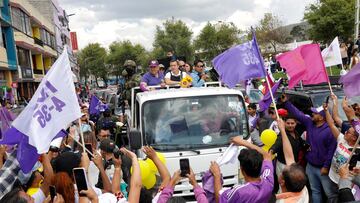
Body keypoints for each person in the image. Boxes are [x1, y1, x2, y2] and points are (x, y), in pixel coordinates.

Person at [281, 94, 338, 203]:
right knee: (315, 191)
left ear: (321, 117)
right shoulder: (310, 123)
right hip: (310, 167)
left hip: (323, 169)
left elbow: (331, 151)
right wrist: (286, 102)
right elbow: (298, 114)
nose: (312, 114)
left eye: (315, 113)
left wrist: (326, 166)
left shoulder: (330, 131)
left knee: (330, 194)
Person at [209, 136, 274, 203]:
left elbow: (219, 200)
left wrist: (217, 175)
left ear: (242, 170)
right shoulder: (268, 182)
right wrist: (243, 142)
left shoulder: (239, 192)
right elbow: (266, 155)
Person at [324, 101, 358, 185]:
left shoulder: (358, 152)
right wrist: (326, 111)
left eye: (348, 132)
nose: (345, 132)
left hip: (344, 183)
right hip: (331, 177)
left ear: (354, 138)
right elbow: (332, 125)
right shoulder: (342, 139)